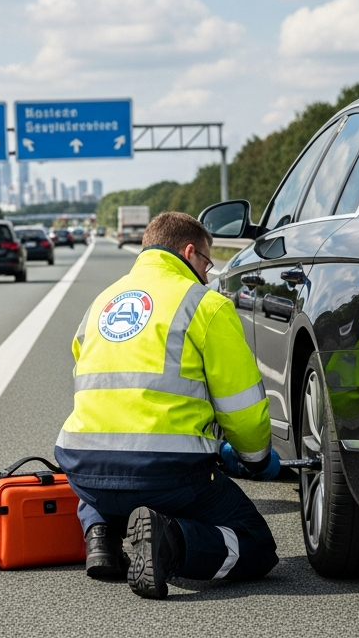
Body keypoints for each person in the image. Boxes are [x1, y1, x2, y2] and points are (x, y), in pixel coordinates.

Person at [55, 211, 282, 599]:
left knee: (108, 480)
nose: (207, 275)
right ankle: (171, 542)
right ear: (190, 252)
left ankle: (101, 538)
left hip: (84, 467)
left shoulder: (101, 302)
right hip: (166, 474)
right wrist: (256, 458)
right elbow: (241, 407)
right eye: (207, 263)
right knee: (257, 545)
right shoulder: (205, 305)